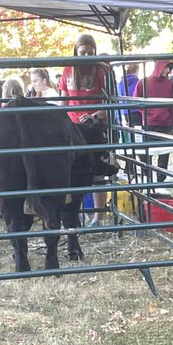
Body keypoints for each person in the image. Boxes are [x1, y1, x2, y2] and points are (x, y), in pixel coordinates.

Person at [59, 32, 112, 224]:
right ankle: (76, 214)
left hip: (95, 127)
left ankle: (100, 215)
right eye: (83, 52)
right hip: (73, 128)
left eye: (91, 52)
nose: (87, 57)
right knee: (74, 172)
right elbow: (64, 100)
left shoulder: (102, 71)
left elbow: (110, 103)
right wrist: (60, 121)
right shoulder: (67, 71)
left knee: (98, 171)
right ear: (76, 51)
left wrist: (94, 116)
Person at [135, 58, 173, 187]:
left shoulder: (169, 84)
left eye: (170, 68)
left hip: (165, 123)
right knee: (146, 153)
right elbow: (136, 100)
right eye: (166, 67)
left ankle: (161, 181)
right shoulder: (144, 82)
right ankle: (147, 179)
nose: (168, 70)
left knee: (164, 153)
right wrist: (146, 113)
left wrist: (172, 119)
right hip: (150, 123)